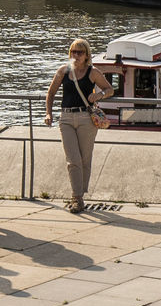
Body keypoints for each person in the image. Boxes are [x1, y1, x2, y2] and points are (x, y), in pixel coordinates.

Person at [44, 38, 114, 213]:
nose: (76, 55)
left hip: (86, 118)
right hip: (66, 117)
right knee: (72, 159)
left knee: (84, 158)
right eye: (73, 52)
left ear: (87, 55)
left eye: (80, 52)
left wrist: (98, 96)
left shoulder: (93, 72)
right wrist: (48, 113)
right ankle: (77, 197)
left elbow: (109, 89)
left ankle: (80, 193)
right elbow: (51, 93)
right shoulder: (63, 71)